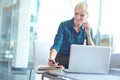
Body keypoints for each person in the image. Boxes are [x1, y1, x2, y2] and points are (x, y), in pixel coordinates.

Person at [48, 2, 94, 68]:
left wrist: (88, 34)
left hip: (76, 60)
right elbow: (56, 45)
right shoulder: (64, 25)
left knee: (85, 65)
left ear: (87, 16)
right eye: (76, 13)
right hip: (62, 58)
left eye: (82, 15)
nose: (78, 17)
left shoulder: (87, 28)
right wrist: (51, 59)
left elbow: (91, 51)